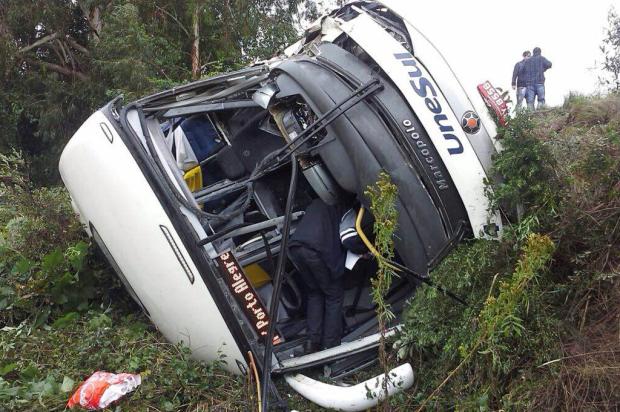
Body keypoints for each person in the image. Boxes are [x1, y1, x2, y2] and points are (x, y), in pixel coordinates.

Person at [288, 199, 347, 353]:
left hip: (296, 249)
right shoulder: (345, 207)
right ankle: (330, 346)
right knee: (334, 295)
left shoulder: (316, 203)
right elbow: (350, 239)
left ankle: (312, 342)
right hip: (315, 252)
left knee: (315, 293)